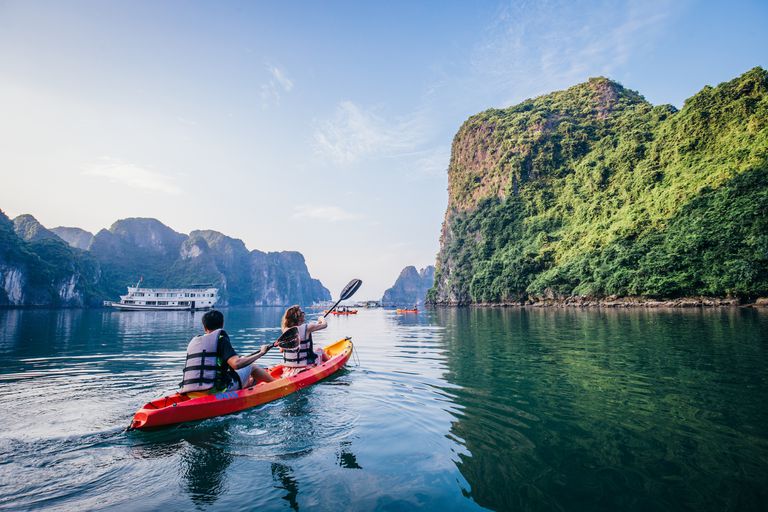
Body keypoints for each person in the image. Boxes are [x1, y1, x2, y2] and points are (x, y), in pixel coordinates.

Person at [180, 310, 274, 396]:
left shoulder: (194, 343)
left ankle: (247, 384)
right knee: (251, 366)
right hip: (215, 390)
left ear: (205, 327)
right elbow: (236, 364)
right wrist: (261, 353)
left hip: (191, 392)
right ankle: (276, 384)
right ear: (222, 324)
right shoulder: (220, 340)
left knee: (242, 367)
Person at [279, 305, 328, 377]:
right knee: (319, 350)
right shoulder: (308, 327)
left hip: (289, 367)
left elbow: (281, 350)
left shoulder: (285, 330)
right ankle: (329, 363)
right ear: (299, 318)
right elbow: (324, 325)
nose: (304, 314)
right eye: (302, 313)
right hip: (304, 366)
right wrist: (321, 318)